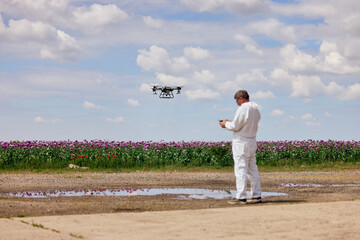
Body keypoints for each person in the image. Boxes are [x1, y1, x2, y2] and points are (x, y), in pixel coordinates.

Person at [219, 90, 262, 204]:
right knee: (252, 169)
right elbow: (244, 124)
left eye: (237, 100)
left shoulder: (243, 108)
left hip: (241, 142)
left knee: (240, 169)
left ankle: (241, 196)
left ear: (241, 99)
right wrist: (232, 122)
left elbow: (235, 126)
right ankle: (256, 195)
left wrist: (225, 124)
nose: (237, 103)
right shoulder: (256, 109)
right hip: (252, 140)